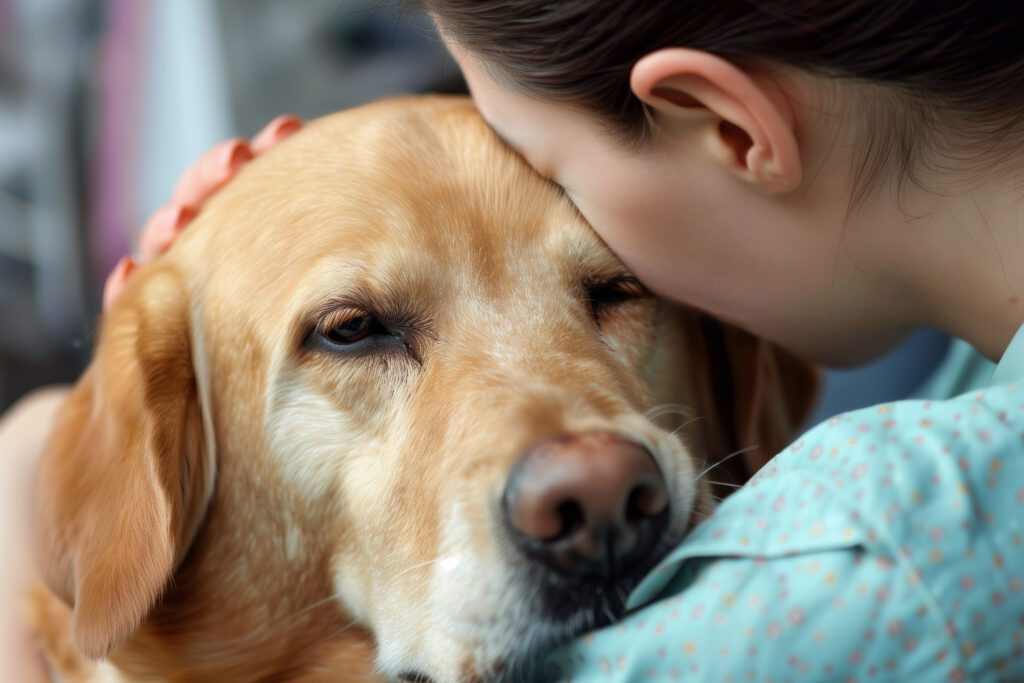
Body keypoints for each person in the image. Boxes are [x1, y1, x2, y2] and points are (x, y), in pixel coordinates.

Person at [6, 2, 1024, 679]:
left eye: (609, 288)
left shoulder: (885, 542)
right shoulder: (962, 379)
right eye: (354, 331)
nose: (580, 465)